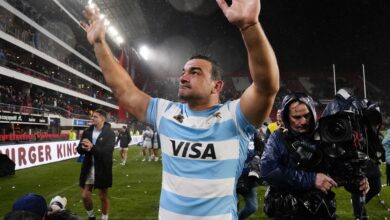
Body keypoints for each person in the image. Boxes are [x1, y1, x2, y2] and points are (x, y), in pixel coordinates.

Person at [81, 0, 279, 218]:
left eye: (195, 72)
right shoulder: (165, 112)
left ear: (217, 85)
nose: (183, 77)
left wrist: (249, 26)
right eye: (183, 72)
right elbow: (124, 90)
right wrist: (99, 43)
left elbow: (266, 87)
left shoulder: (235, 117)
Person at [260, 93, 370, 219]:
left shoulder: (325, 136)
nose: (303, 121)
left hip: (321, 209)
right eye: (297, 117)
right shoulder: (277, 138)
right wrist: (312, 179)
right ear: (286, 117)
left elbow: (337, 171)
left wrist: (356, 182)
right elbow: (268, 170)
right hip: (288, 211)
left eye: (307, 115)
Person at [76, 109, 115, 220]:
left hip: (102, 167)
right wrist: (82, 148)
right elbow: (80, 149)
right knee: (85, 195)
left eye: (95, 117)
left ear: (102, 118)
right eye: (92, 117)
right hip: (89, 167)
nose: (92, 118)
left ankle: (104, 218)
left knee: (103, 196)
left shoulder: (110, 133)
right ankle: (91, 216)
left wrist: (92, 147)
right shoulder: (87, 132)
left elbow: (107, 152)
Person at [236, 136, 263, 220]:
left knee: (252, 207)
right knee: (232, 207)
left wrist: (257, 156)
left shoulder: (253, 132)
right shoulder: (230, 131)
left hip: (248, 176)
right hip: (233, 177)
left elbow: (261, 148)